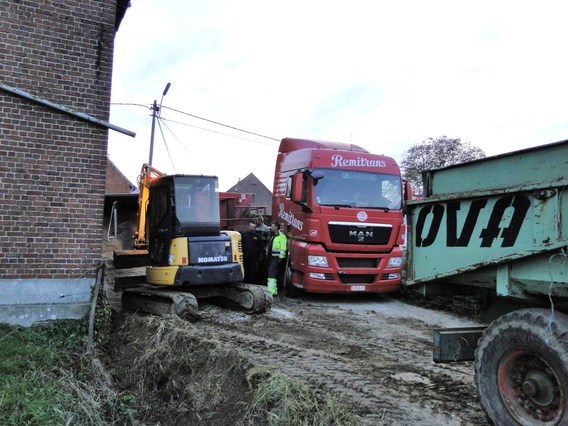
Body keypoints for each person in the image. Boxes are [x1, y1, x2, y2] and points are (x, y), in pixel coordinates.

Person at [266, 221, 287, 296]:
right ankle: (272, 290)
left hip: (276, 259)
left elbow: (283, 249)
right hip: (272, 258)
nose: (271, 228)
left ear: (276, 227)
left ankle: (272, 291)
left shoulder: (282, 237)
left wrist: (280, 259)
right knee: (271, 274)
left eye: (272, 226)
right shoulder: (273, 236)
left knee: (272, 274)